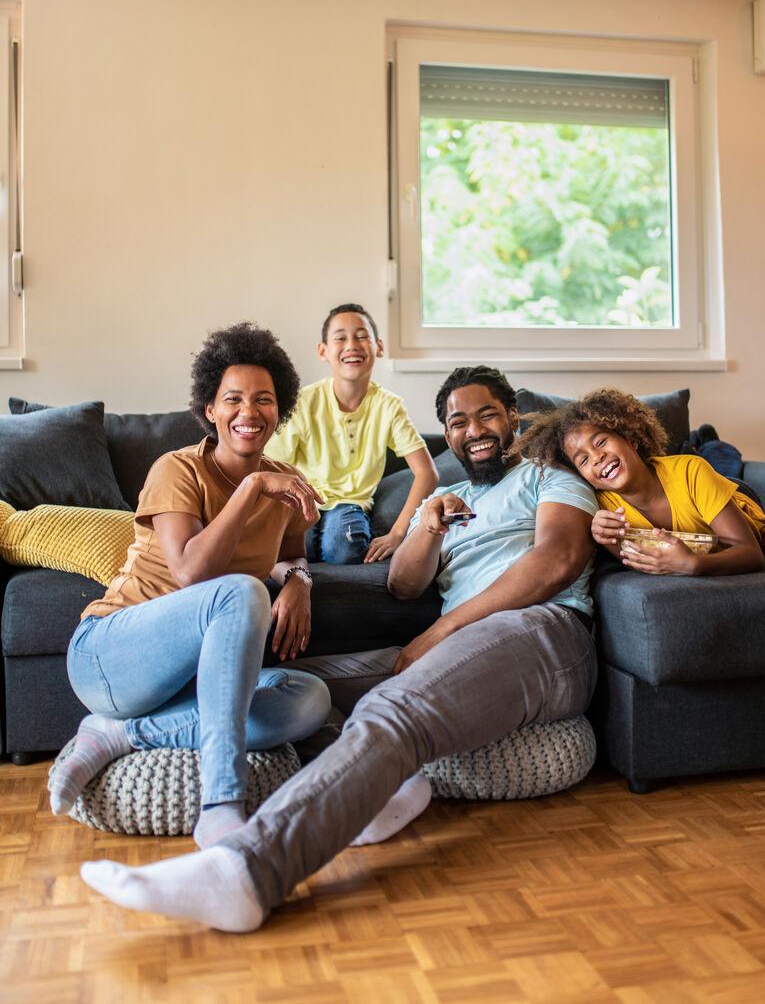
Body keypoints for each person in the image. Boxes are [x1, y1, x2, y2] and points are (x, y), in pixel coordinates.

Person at [78, 365, 599, 932]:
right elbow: (402, 586)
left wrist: (440, 633)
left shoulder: (550, 476)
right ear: (445, 434)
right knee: (298, 682)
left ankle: (248, 871)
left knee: (394, 708)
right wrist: (426, 527)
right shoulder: (447, 496)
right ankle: (365, 785)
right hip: (465, 649)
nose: (473, 429)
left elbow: (557, 561)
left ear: (513, 418)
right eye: (457, 421)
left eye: (487, 415)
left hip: (543, 633)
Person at [49, 322, 331, 850]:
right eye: (233, 399)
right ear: (209, 409)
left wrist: (299, 583)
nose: (249, 412)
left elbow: (293, 554)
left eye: (264, 400)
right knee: (242, 591)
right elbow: (192, 573)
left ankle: (121, 733)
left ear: (280, 410)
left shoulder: (285, 480)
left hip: (190, 681)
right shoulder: (176, 469)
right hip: (110, 654)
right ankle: (221, 803)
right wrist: (251, 488)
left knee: (309, 700)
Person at [518, 387, 765, 576]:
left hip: (735, 497)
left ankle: (706, 443)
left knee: (719, 463)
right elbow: (633, 559)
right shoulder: (602, 505)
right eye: (583, 460)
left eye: (601, 442)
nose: (597, 457)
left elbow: (750, 554)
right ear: (586, 478)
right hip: (692, 498)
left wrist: (691, 565)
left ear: (631, 439)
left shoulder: (691, 472)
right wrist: (603, 537)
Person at [265, 303, 437, 564]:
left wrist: (398, 533)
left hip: (350, 505)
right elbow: (272, 465)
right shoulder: (303, 402)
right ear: (323, 351)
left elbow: (428, 473)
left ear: (379, 347)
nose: (352, 345)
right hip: (304, 500)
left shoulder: (389, 406)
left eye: (361, 336)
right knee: (292, 547)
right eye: (340, 338)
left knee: (343, 550)